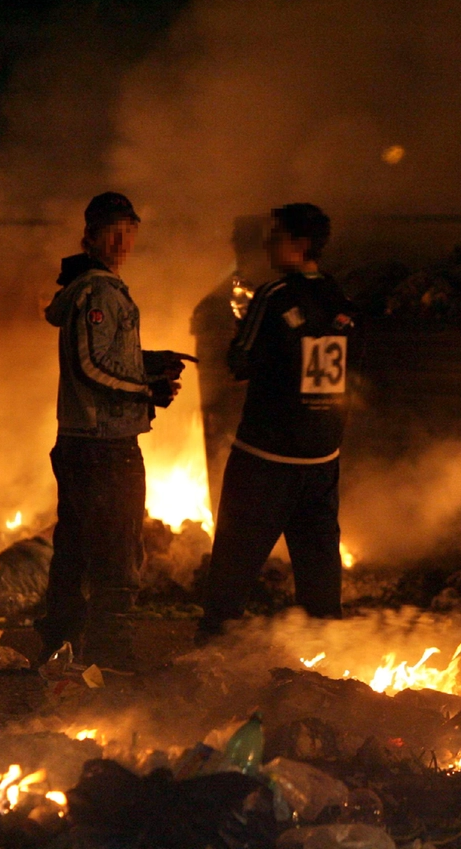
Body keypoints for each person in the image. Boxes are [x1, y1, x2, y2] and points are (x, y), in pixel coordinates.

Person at [37, 192, 189, 669]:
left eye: (130, 233)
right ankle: (110, 659)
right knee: (118, 560)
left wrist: (148, 361)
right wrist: (146, 387)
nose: (123, 243)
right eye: (113, 234)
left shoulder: (92, 288)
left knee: (76, 555)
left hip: (85, 445)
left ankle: (59, 649)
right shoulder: (99, 291)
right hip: (105, 447)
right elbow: (89, 366)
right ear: (92, 236)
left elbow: (103, 359)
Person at [198, 203, 355, 641]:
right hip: (323, 457)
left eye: (277, 236)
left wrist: (246, 334)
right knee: (319, 565)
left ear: (300, 245)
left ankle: (210, 649)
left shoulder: (272, 296)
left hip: (266, 458)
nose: (268, 243)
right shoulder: (339, 297)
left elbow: (239, 360)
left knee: (235, 558)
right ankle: (327, 660)